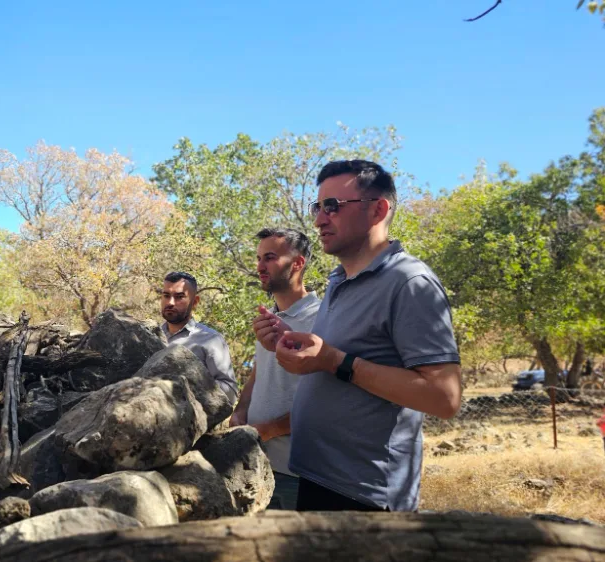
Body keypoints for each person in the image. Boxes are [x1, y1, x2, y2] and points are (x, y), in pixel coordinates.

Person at [274, 159, 462, 512]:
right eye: (318, 206)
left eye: (333, 206)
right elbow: (334, 356)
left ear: (378, 210)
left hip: (364, 497)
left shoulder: (410, 282)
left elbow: (444, 398)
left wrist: (334, 361)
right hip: (316, 477)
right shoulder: (338, 280)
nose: (318, 219)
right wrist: (292, 340)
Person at [230, 227, 321, 510]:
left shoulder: (324, 319)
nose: (259, 266)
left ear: (297, 263)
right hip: (257, 466)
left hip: (299, 474)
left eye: (269, 257)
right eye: (258, 258)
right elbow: (260, 372)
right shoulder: (269, 318)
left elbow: (327, 398)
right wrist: (240, 411)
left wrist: (268, 429)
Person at [160, 271, 238, 402]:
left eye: (179, 297)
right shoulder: (150, 336)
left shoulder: (210, 339)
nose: (171, 302)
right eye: (166, 295)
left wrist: (187, 388)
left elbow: (230, 392)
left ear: (195, 302)